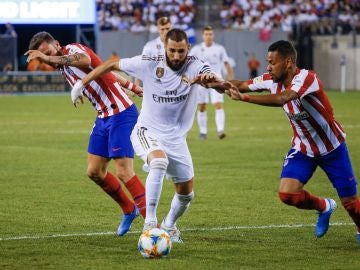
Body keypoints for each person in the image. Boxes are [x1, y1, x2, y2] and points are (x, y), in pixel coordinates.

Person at [196, 40, 360, 244]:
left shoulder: (307, 78)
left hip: (332, 148)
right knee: (287, 194)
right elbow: (239, 85)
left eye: (272, 63)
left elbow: (283, 98)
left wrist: (244, 99)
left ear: (289, 62)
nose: (268, 67)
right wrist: (214, 83)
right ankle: (324, 206)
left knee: (351, 203)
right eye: (268, 62)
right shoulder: (270, 79)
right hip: (303, 149)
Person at [70, 28, 220, 243]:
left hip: (176, 139)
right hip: (146, 130)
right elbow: (110, 64)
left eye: (180, 51)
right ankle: (150, 225)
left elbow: (213, 78)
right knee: (158, 162)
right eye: (172, 51)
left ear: (188, 49)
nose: (176, 56)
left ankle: (169, 225)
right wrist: (81, 83)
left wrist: (214, 81)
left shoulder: (196, 64)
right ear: (165, 48)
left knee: (187, 194)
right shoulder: (149, 61)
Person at [25, 31, 146, 236]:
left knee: (124, 171)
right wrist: (130, 85)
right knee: (94, 172)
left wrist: (46, 57)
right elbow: (102, 69)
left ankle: (152, 224)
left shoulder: (72, 50)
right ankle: (128, 209)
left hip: (122, 113)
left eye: (48, 52)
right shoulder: (63, 68)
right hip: (103, 117)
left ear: (56, 44)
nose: (48, 60)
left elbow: (86, 59)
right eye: (43, 55)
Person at [190, 26, 234, 140]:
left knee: (218, 105)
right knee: (202, 107)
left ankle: (220, 131)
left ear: (213, 35)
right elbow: (189, 65)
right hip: (201, 83)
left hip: (216, 81)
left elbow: (227, 64)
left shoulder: (220, 49)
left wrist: (231, 81)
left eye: (210, 34)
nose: (208, 36)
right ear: (203, 36)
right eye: (206, 34)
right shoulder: (196, 49)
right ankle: (203, 133)